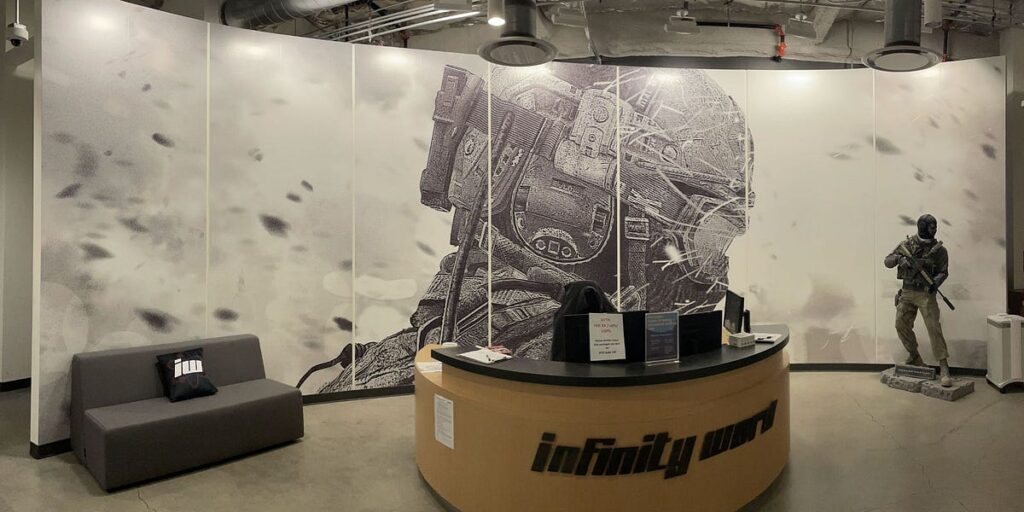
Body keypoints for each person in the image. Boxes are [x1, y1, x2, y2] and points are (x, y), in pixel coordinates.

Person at [316, 64, 752, 392]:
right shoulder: (542, 373)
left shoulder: (454, 350)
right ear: (574, 211)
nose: (712, 272)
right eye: (705, 237)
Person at [883, 214, 952, 387]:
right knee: (901, 324)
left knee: (934, 328)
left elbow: (943, 271)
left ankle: (943, 366)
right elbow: (888, 261)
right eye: (931, 226)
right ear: (921, 226)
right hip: (907, 291)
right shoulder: (907, 245)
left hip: (926, 294)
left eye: (935, 226)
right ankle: (914, 356)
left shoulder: (939, 250)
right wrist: (900, 259)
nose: (934, 229)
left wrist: (935, 283)